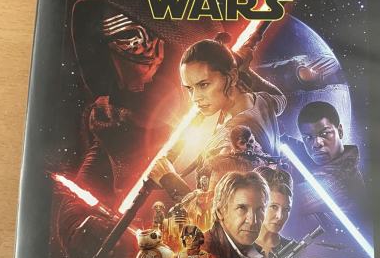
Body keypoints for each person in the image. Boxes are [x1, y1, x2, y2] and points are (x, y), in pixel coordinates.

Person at [149, 34, 286, 199]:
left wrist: (169, 179)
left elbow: (215, 214)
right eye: (190, 88)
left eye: (203, 85)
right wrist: (244, 70)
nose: (195, 98)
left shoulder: (230, 146)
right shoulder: (261, 101)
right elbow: (280, 99)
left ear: (232, 77)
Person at [287, 101, 365, 215]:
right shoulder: (339, 165)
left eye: (324, 134)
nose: (317, 143)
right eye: (308, 137)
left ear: (340, 131)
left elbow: (281, 200)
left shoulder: (335, 182)